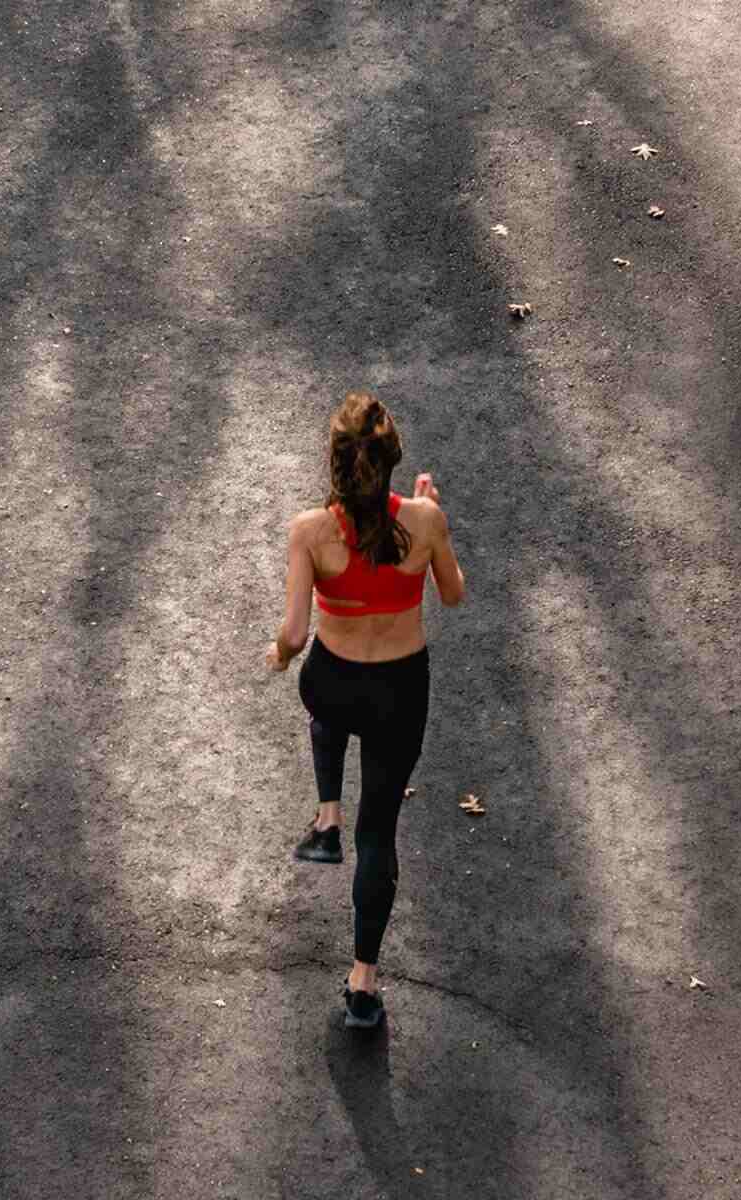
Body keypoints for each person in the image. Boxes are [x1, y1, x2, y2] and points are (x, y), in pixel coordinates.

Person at [266, 391, 467, 1029]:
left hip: (335, 684)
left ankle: (326, 816)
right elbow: (454, 595)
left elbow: (296, 635)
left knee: (323, 702)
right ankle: (363, 985)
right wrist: (432, 514)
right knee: (378, 833)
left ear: (335, 464)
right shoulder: (425, 521)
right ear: (392, 462)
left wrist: (275, 654)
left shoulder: (310, 532)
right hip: (399, 693)